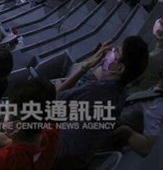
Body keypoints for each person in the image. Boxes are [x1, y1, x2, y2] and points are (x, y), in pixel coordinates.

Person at [53, 36, 149, 169]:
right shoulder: (121, 93)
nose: (110, 52)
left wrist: (84, 67)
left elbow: (54, 98)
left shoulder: (96, 90)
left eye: (117, 51)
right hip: (77, 161)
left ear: (120, 69)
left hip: (55, 155)